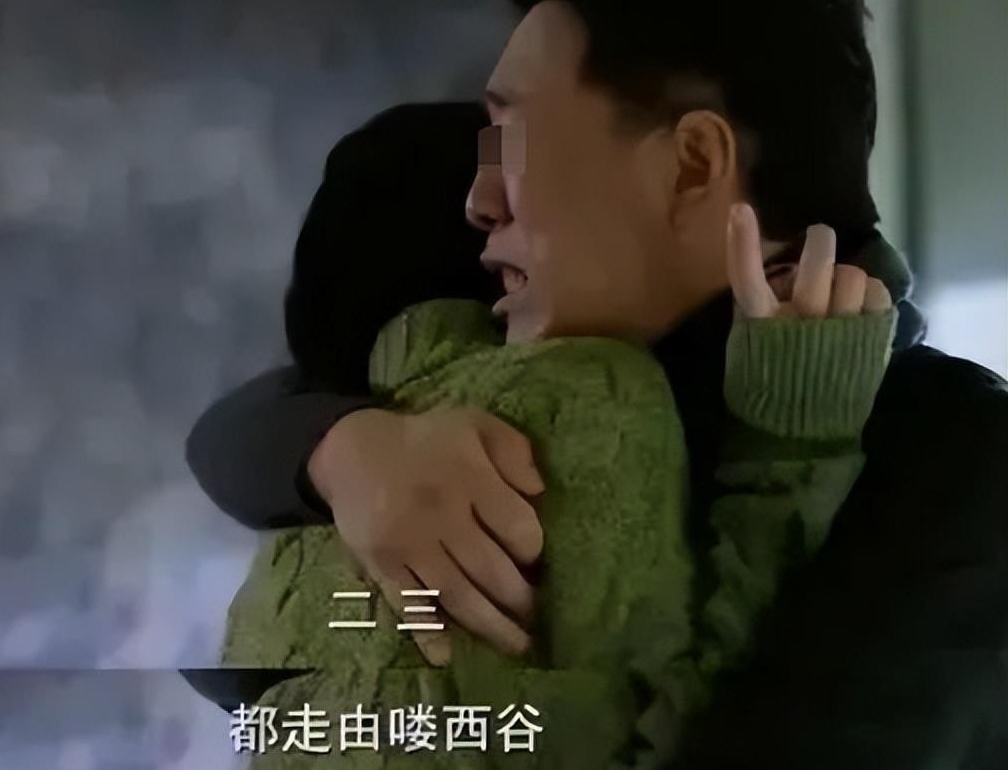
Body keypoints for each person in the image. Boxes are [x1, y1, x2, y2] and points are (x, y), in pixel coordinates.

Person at [188, 0, 1008, 766]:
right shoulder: (527, 321)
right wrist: (349, 453)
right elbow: (242, 422)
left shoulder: (950, 455)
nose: (478, 200)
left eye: (511, 135)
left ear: (694, 164)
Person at [216, 104, 898, 768]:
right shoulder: (589, 389)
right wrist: (791, 449)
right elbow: (679, 728)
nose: (486, 205)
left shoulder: (279, 553)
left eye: (527, 162)